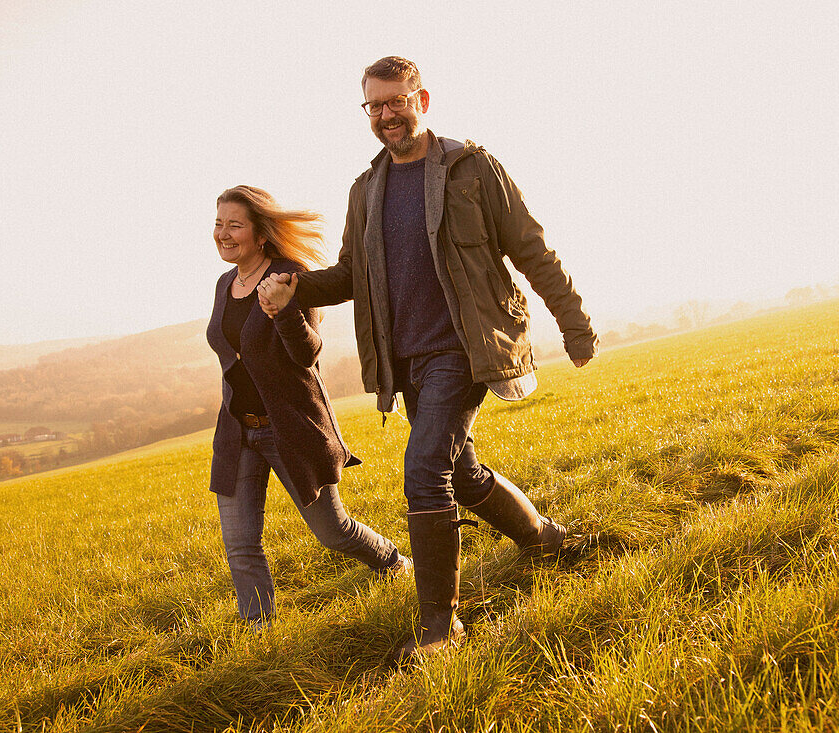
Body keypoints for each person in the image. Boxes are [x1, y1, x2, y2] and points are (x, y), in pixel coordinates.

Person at [258, 56, 597, 658]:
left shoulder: (472, 168)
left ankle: (440, 624)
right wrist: (295, 288)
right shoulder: (366, 190)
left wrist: (574, 322)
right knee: (460, 474)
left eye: (397, 101)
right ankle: (547, 540)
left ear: (423, 99)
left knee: (424, 472)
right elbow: (348, 276)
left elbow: (530, 247)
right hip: (405, 359)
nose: (386, 114)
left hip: (465, 348)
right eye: (375, 106)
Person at [207, 185, 408, 628]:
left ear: (261, 234)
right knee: (240, 545)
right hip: (238, 431)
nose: (223, 233)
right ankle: (260, 633)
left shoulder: (289, 275)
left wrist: (284, 312)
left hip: (290, 428)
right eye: (218, 223)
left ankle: (393, 562)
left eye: (234, 224)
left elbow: (309, 354)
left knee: (333, 531)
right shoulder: (226, 284)